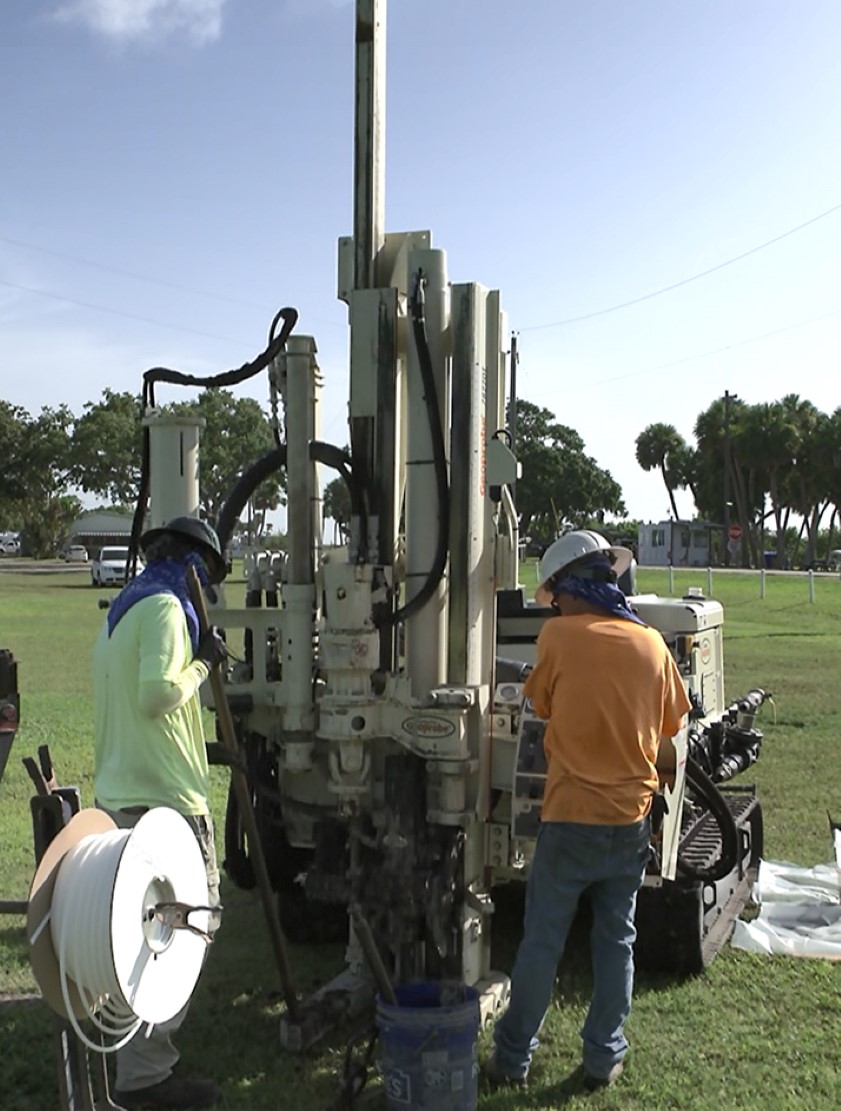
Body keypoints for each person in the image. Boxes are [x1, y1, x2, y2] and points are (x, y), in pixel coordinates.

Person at [486, 529, 691, 1091]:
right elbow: (673, 723)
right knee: (615, 941)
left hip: (569, 817)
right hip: (630, 821)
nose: (555, 604)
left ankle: (511, 1059)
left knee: (543, 942)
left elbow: (541, 701)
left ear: (574, 588)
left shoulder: (558, 638)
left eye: (556, 594)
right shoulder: (652, 644)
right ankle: (603, 1058)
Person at [92, 516, 229, 1111]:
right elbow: (156, 695)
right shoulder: (170, 611)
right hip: (167, 803)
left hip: (122, 792)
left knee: (136, 934)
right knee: (187, 931)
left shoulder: (124, 610)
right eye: (209, 576)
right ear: (195, 567)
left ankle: (132, 1056)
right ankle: (148, 1076)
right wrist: (203, 664)